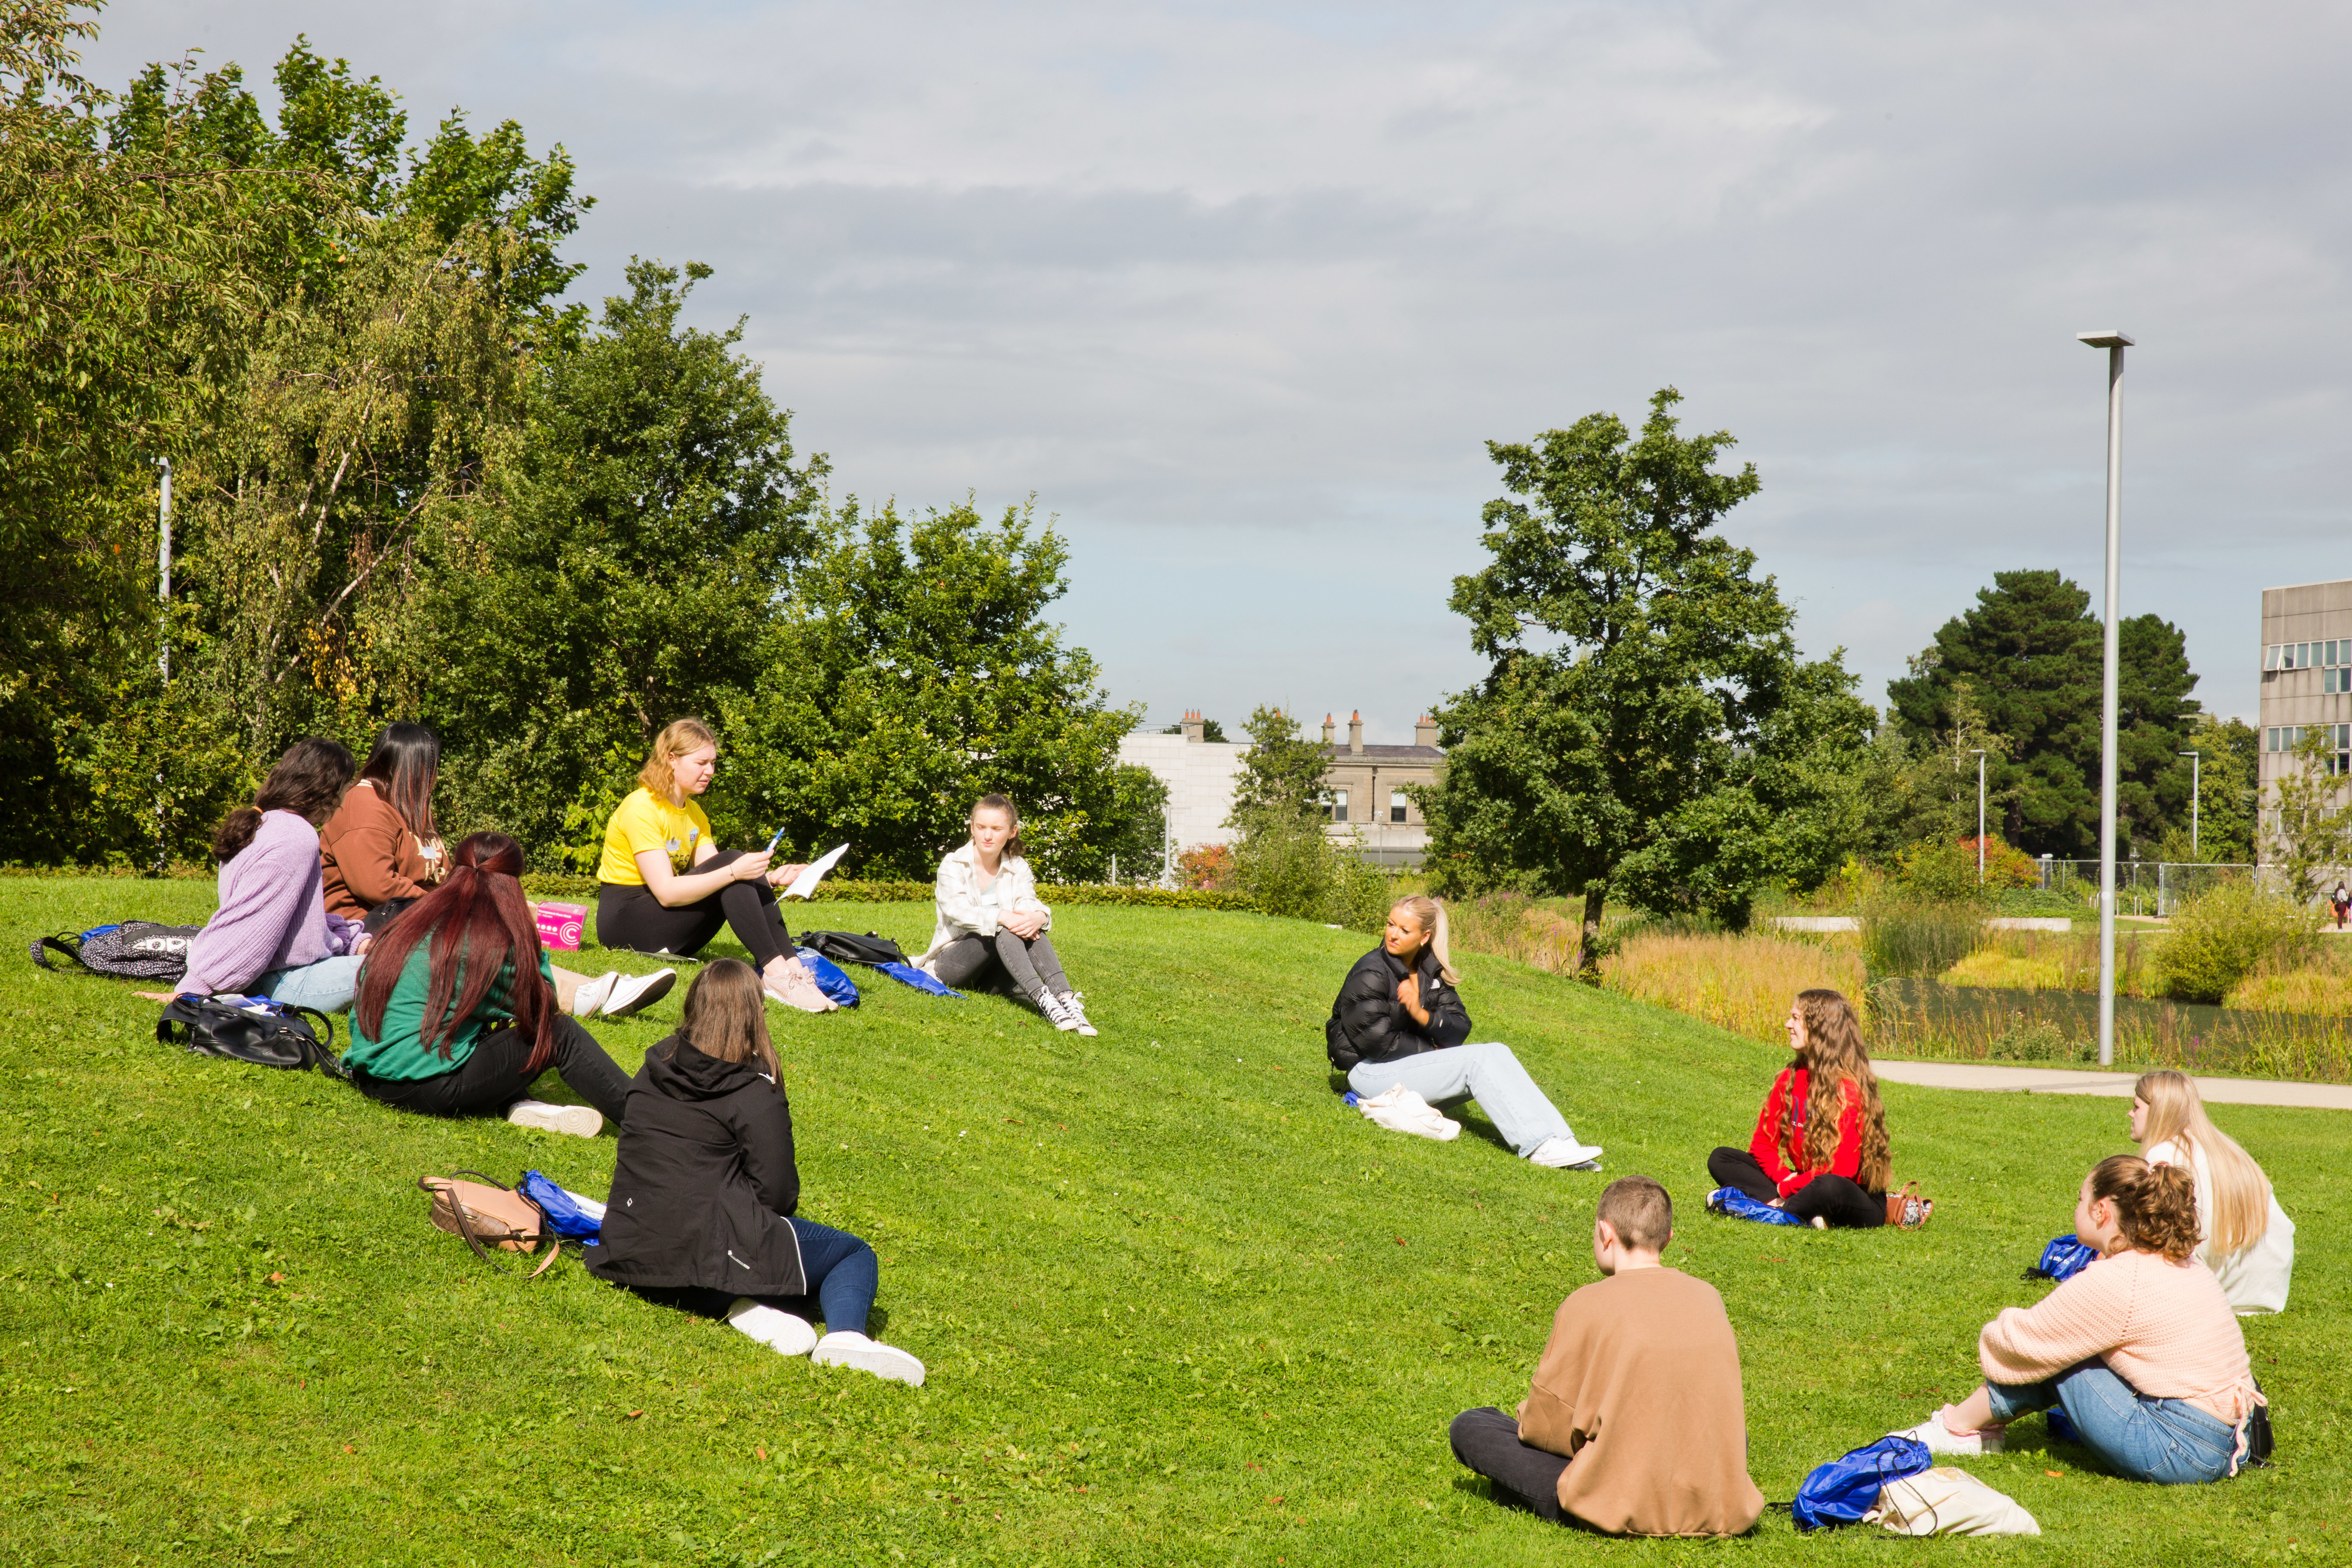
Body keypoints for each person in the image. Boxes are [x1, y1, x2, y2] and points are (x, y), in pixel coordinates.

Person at [589, 959, 924, 1385]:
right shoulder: (752, 1089)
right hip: (702, 1245)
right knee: (851, 1253)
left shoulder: (654, 1064)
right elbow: (778, 1193)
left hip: (629, 1243)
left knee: (710, 1241)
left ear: (693, 1005)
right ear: (754, 1014)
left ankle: (727, 1300)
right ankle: (847, 1336)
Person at [1893, 1155, 2260, 1482]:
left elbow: (2015, 1342)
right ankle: (1976, 1427)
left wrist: (1995, 1328)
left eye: (2079, 1200)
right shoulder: (2178, 1258)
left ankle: (1956, 1428)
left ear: (2101, 1210)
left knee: (2060, 1352)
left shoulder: (2121, 1278)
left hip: (2179, 1448)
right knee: (2069, 1344)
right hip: (2231, 1438)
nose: (2076, 1207)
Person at [1449, 1175, 1765, 1537]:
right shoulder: (1709, 1297)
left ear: (1605, 1233)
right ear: (1667, 1238)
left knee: (1474, 1425)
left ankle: (1569, 1501)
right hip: (1714, 1498)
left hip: (1623, 1499)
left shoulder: (1586, 1302)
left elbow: (1546, 1428)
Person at [322, 721, 673, 1022]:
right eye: (430, 767)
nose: (434, 776)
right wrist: (450, 903)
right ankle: (578, 993)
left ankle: (587, 988)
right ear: (406, 765)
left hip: (415, 914)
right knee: (484, 939)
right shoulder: (363, 804)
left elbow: (443, 871)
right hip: (370, 925)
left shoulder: (410, 806)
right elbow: (377, 884)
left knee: (499, 919)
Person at [345, 832, 635, 1139]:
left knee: (478, 1025)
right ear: (513, 885)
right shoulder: (490, 943)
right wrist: (528, 934)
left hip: (369, 1076)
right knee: (561, 1033)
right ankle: (646, 1118)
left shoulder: (412, 918)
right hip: (426, 1087)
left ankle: (521, 1104)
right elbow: (543, 1003)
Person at [1325, 896, 1601, 1169]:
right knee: (1476, 1061)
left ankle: (1563, 1142)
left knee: (1497, 1051)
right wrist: (1433, 1053)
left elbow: (1458, 1030)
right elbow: (1377, 1042)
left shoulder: (1430, 971)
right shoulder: (1371, 970)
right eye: (1391, 924)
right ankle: (1541, 1147)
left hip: (1401, 1067)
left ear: (1425, 937)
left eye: (1404, 930)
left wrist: (1421, 1014)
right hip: (1368, 1073)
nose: (1393, 934)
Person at [595, 718, 833, 1013]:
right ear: (672, 759)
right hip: (625, 925)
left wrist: (767, 878)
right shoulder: (641, 808)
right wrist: (737, 870)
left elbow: (721, 878)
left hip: (662, 922)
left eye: (713, 763)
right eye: (701, 763)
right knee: (734, 861)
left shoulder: (694, 812)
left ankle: (794, 971)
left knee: (736, 867)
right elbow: (667, 892)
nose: (710, 771)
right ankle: (776, 975)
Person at [178, 737, 369, 1012]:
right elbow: (251, 922)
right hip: (285, 980)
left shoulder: (263, 822)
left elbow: (297, 920)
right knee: (411, 970)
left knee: (400, 960)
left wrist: (352, 942)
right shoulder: (296, 836)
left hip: (275, 972)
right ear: (328, 789)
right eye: (345, 786)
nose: (344, 799)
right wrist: (193, 991)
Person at [1706, 988, 1891, 1229]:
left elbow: (1841, 1170)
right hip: (1801, 1183)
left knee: (1828, 1187)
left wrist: (1788, 1188)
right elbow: (1762, 1146)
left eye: (1795, 1018)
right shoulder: (1790, 1078)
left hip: (1850, 1194)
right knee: (1722, 1158)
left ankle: (1778, 1206)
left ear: (1818, 1027)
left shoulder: (1849, 1090)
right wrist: (1784, 1178)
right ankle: (1794, 1209)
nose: (1787, 1025)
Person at [914, 795, 1095, 1035]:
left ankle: (1065, 999)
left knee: (1026, 925)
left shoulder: (1018, 866)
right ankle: (1043, 998)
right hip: (955, 964)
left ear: (1012, 832)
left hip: (995, 979)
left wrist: (1040, 916)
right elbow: (957, 912)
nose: (988, 836)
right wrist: (1003, 916)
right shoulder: (953, 864)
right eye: (981, 827)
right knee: (1005, 924)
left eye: (997, 829)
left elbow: (1027, 905)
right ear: (972, 828)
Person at [2132, 1069, 2295, 1314]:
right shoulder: (2227, 1150)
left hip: (2213, 1295)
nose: (2131, 1114)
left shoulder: (2162, 1156)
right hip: (2267, 1291)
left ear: (2157, 1112)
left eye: (2136, 1107)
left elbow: (2161, 1236)